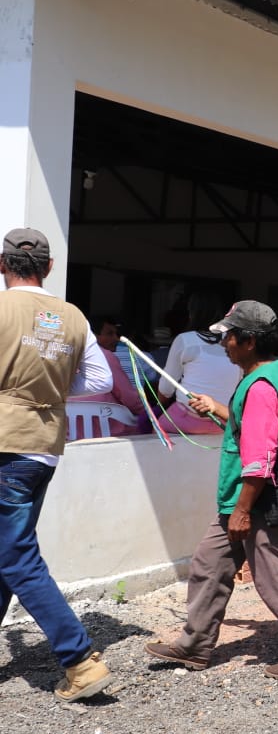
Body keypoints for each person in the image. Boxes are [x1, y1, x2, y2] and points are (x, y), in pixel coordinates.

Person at [144, 301, 278, 680]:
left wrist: (243, 511)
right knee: (208, 564)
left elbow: (260, 458)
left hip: (254, 500)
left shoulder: (260, 386)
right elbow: (252, 427)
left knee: (277, 578)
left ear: (249, 341)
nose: (224, 343)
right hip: (241, 499)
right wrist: (216, 408)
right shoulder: (268, 375)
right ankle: (194, 645)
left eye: (229, 336)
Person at [0, 228, 115, 702]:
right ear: (49, 267)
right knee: (7, 550)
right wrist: (51, 390)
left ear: (2, 264)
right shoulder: (73, 317)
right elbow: (100, 380)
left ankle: (79, 658)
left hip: (5, 442)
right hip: (43, 446)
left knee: (16, 556)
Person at [157, 292, 240, 436]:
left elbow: (165, 389)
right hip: (225, 420)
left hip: (189, 418)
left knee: (155, 429)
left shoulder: (185, 340)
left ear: (191, 313)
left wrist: (159, 406)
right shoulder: (234, 341)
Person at [70, 316, 146, 437]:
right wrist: (148, 413)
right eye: (110, 334)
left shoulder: (66, 354)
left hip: (69, 433)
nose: (116, 338)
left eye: (116, 333)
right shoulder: (105, 357)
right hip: (108, 430)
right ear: (92, 336)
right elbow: (129, 397)